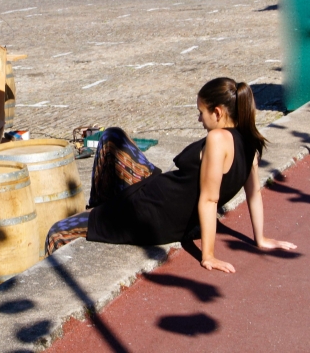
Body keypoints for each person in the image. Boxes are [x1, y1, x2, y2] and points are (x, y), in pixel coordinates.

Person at [46, 78, 296, 273]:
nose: (199, 119)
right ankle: (100, 208)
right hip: (157, 191)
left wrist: (207, 255)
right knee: (112, 136)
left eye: (202, 112)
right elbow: (254, 194)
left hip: (149, 212)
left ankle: (100, 215)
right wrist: (260, 239)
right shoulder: (250, 141)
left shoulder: (218, 139)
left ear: (218, 112)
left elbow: (209, 200)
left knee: (57, 233)